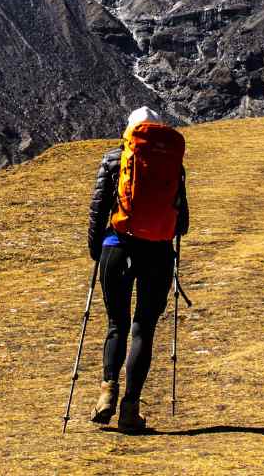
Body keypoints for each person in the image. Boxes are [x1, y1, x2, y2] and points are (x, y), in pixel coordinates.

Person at [87, 106, 189, 432]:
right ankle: (130, 409)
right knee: (143, 328)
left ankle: (107, 393)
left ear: (128, 132)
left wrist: (96, 252)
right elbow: (182, 223)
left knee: (116, 323)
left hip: (116, 248)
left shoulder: (113, 160)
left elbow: (98, 210)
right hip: (157, 254)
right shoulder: (173, 164)